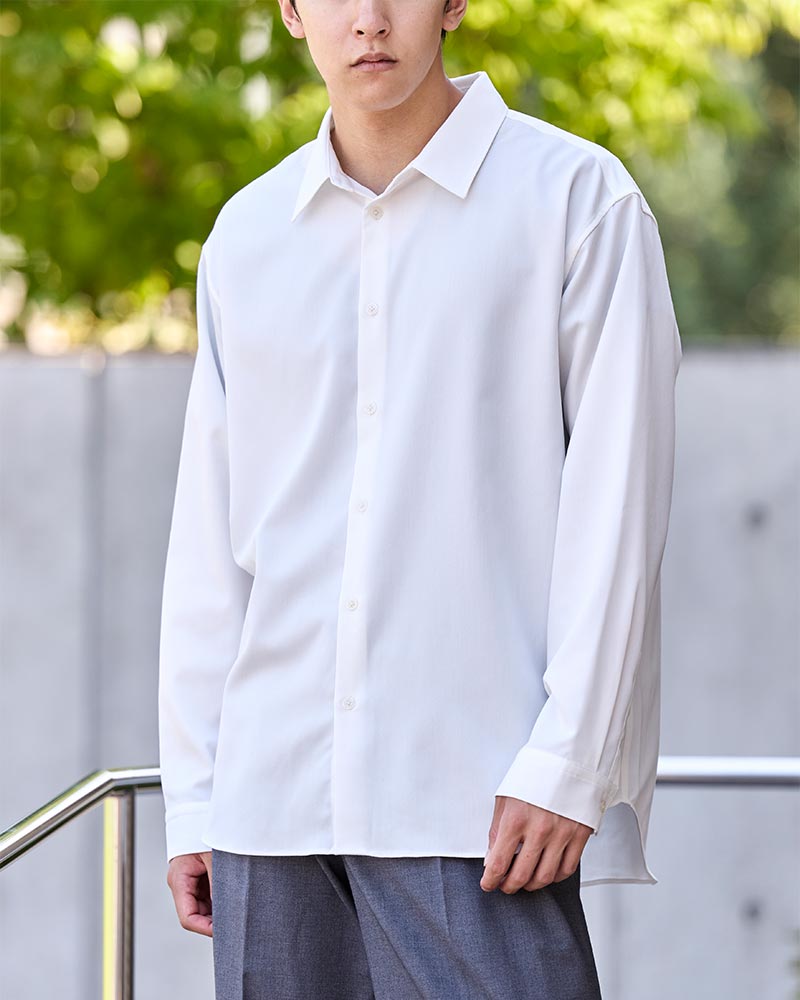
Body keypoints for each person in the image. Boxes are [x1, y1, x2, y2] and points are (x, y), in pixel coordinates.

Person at [158, 1, 683, 997]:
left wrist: (568, 761)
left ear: (453, 3)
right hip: (268, 809)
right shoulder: (247, 235)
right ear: (290, 11)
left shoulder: (577, 201)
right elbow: (210, 541)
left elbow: (619, 506)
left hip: (479, 801)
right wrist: (196, 794)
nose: (368, 20)